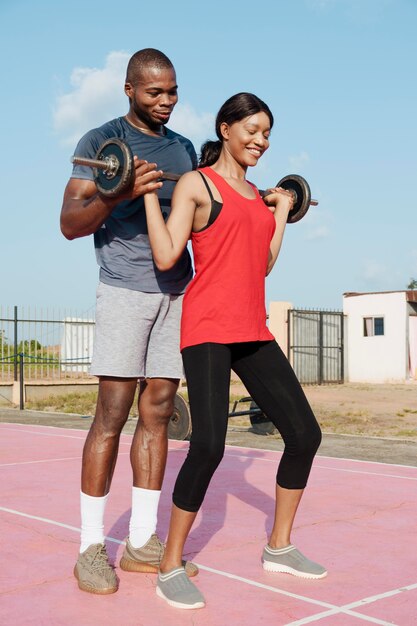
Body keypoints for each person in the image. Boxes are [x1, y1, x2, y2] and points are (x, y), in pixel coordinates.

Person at [143, 92, 327, 609]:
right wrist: (142, 200)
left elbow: (262, 266)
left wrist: (284, 210)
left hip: (252, 328)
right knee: (207, 447)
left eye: (267, 134)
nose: (260, 141)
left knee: (305, 434)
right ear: (226, 128)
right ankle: (169, 563)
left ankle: (279, 546)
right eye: (252, 129)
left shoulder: (257, 197)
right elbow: (166, 254)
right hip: (206, 329)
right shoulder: (198, 184)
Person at [60, 48, 199, 595]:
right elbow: (70, 222)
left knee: (160, 411)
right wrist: (117, 192)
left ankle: (143, 542)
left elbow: (202, 216)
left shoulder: (184, 148)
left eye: (172, 92)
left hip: (176, 292)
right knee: (111, 414)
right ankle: (90, 547)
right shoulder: (99, 143)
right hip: (122, 289)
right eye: (154, 93)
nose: (165, 102)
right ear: (129, 90)